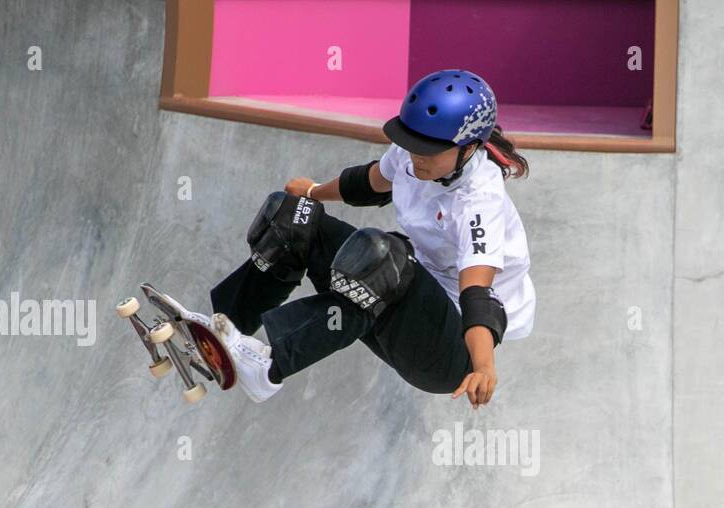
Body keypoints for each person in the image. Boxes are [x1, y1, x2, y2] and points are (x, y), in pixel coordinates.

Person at [209, 69, 534, 409]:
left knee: (382, 257)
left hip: (451, 351)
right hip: (402, 306)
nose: (416, 157)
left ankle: (268, 369)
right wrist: (312, 192)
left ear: (469, 148)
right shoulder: (412, 156)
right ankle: (222, 332)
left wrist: (483, 366)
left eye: (428, 150)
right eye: (411, 144)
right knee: (291, 215)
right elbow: (369, 182)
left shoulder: (480, 202)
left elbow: (477, 293)